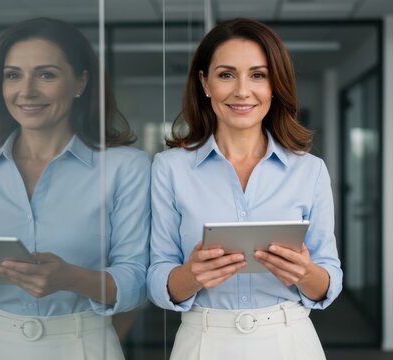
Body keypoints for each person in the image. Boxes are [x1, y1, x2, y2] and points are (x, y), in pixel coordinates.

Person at [0, 17, 150, 359]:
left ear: (80, 82)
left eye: (46, 74)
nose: (27, 90)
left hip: (82, 344)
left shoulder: (126, 168)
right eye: (13, 75)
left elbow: (138, 282)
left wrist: (70, 278)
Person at [146, 18, 342, 359]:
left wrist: (305, 273)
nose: (242, 90)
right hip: (202, 341)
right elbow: (157, 278)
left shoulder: (310, 171)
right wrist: (191, 275)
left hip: (289, 339)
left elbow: (329, 281)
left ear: (274, 85)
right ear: (205, 83)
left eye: (258, 75)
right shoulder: (169, 168)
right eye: (226, 75)